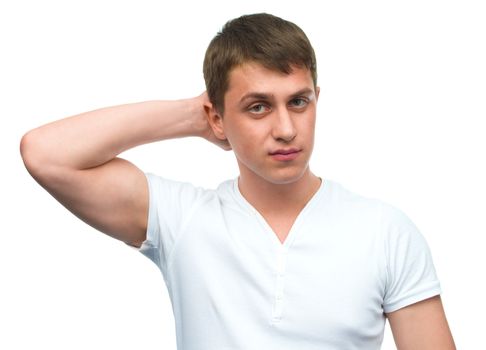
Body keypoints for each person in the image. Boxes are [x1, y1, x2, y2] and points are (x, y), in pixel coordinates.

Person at [20, 13, 455, 350]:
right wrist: (194, 116)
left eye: (298, 102)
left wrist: (239, 111)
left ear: (316, 100)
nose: (286, 128)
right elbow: (47, 154)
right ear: (217, 116)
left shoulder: (386, 232)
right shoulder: (181, 219)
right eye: (258, 107)